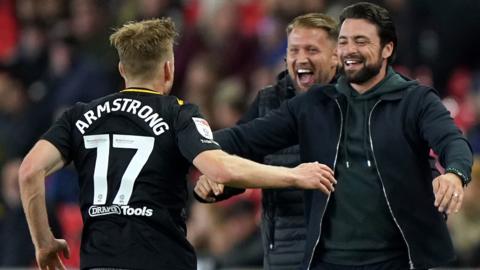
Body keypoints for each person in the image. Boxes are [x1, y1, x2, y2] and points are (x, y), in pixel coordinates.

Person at [17, 18, 336, 270]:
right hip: (161, 258)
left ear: (122, 69)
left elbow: (29, 171)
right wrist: (295, 175)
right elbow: (220, 169)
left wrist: (44, 242)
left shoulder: (79, 115)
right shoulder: (177, 113)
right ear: (168, 68)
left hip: (98, 261)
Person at [196, 2, 473, 270]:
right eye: (344, 41)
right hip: (326, 260)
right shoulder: (315, 103)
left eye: (361, 41)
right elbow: (244, 139)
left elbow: (452, 141)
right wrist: (191, 144)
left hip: (397, 260)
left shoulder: (416, 100)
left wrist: (454, 173)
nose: (349, 50)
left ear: (387, 48)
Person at [195, 13, 339, 270]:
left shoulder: (351, 103)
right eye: (294, 50)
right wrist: (218, 181)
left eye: (312, 49)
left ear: (336, 56)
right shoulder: (268, 102)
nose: (301, 58)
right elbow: (240, 154)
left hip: (335, 250)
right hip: (282, 251)